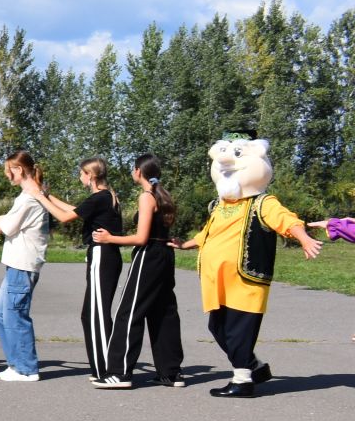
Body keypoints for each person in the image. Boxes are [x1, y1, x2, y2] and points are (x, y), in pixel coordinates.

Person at [177, 135, 320, 397]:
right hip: (216, 281)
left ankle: (242, 381)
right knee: (217, 328)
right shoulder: (220, 205)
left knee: (238, 330)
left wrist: (304, 238)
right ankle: (255, 367)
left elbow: (287, 221)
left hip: (245, 279)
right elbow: (207, 234)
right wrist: (183, 244)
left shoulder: (263, 202)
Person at [23, 159, 122, 384]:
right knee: (90, 314)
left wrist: (38, 196)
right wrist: (47, 196)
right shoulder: (105, 197)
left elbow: (66, 217)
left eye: (81, 174)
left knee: (96, 315)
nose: (80, 177)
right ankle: (101, 368)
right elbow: (75, 210)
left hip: (102, 255)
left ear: (91, 176)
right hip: (104, 256)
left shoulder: (101, 197)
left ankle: (108, 370)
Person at [92, 155, 185, 388]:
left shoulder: (146, 197)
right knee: (163, 312)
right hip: (164, 254)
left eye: (133, 169)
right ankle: (170, 372)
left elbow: (141, 238)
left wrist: (109, 238)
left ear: (138, 171)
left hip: (149, 255)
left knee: (129, 311)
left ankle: (119, 373)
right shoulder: (163, 195)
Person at [0, 151, 51, 383]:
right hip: (16, 264)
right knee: (0, 314)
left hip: (23, 265)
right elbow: (7, 218)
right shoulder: (26, 196)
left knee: (15, 315)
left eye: (8, 171)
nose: (7, 175)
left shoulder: (29, 198)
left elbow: (3, 228)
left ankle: (26, 368)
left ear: (19, 170)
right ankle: (15, 364)